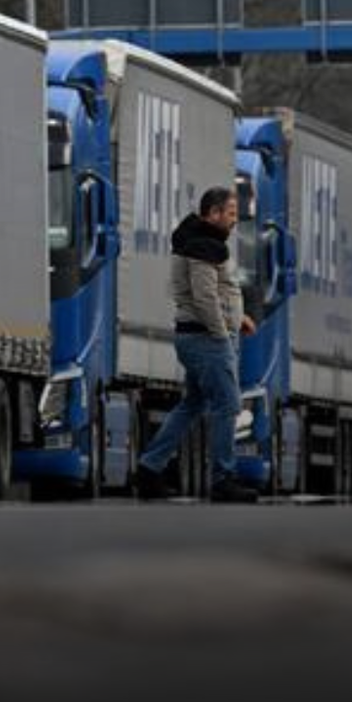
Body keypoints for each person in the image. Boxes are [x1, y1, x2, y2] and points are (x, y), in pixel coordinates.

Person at [136, 187, 260, 503]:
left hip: (197, 335)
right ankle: (223, 479)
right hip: (206, 338)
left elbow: (217, 291)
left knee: (192, 404)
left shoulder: (202, 241)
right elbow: (204, 297)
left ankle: (149, 469)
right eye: (231, 214)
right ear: (214, 213)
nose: (234, 221)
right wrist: (222, 333)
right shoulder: (202, 246)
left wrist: (239, 318)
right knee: (228, 404)